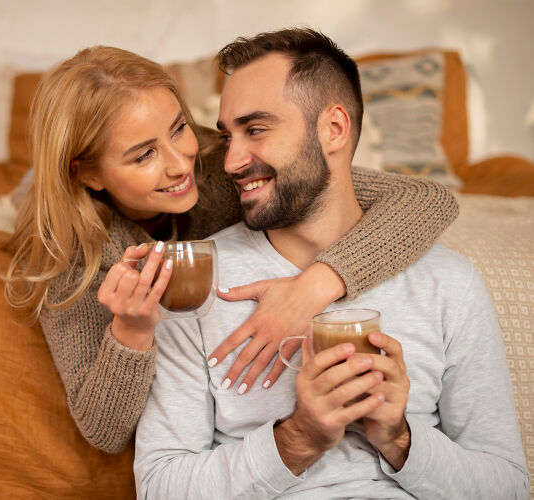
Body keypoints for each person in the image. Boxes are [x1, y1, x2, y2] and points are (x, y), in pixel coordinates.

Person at [2, 45, 459, 454]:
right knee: (18, 195)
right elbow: (103, 431)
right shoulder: (70, 254)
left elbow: (428, 197)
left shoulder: (218, 166)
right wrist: (132, 332)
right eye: (144, 155)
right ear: (89, 175)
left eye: (177, 128)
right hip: (55, 201)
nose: (179, 165)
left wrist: (313, 287)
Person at [134, 28, 529, 499]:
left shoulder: (448, 281)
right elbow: (159, 488)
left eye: (256, 129)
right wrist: (297, 439)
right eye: (226, 135)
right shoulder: (195, 281)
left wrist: (399, 439)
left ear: (334, 129)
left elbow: (508, 487)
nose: (232, 160)